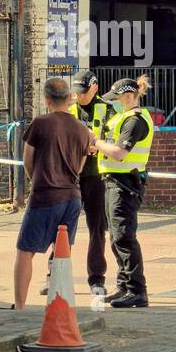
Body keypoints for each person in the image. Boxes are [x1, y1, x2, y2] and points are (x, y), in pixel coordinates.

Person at [14, 77, 94, 310]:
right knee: (62, 254)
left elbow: (27, 160)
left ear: (47, 100)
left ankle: (19, 306)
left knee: (25, 251)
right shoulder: (82, 129)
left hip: (45, 195)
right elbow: (79, 167)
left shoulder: (40, 123)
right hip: (72, 197)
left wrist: (38, 179)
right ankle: (60, 304)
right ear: (70, 98)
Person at [92, 77, 154, 308]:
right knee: (115, 237)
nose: (114, 103)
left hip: (125, 184)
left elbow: (119, 152)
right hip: (113, 181)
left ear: (128, 97)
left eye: (117, 99)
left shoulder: (135, 121)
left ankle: (137, 290)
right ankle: (124, 286)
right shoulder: (122, 117)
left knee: (124, 237)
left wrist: (94, 142)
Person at [67, 70, 114, 300]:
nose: (79, 97)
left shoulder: (107, 109)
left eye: (83, 93)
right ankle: (53, 275)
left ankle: (97, 279)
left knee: (97, 228)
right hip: (70, 176)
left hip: (96, 176)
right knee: (62, 227)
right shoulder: (67, 109)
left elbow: (114, 139)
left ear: (94, 87)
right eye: (76, 93)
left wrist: (99, 144)